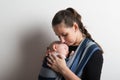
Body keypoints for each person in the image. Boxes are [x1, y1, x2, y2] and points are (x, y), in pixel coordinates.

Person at [46, 7, 104, 80]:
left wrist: (63, 69)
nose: (62, 40)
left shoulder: (93, 53)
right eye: (58, 36)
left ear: (75, 27)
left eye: (64, 34)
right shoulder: (60, 48)